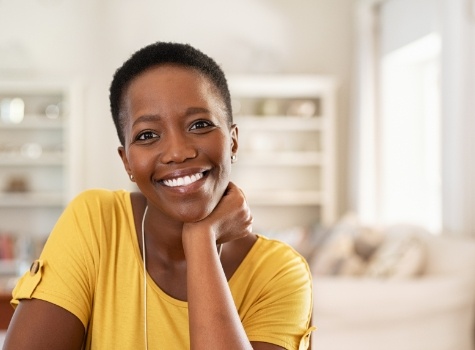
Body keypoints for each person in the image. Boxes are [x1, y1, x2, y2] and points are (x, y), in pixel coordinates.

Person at [3, 42, 314, 350]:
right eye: (147, 135)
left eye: (200, 124)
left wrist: (200, 240)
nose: (178, 152)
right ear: (127, 161)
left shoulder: (279, 273)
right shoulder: (96, 221)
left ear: (232, 142)